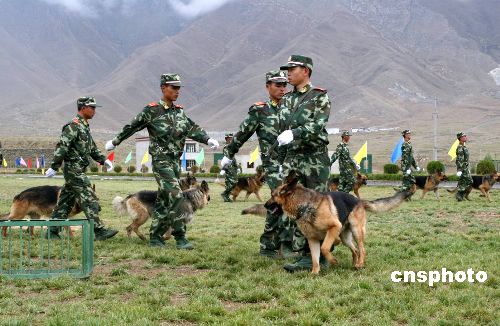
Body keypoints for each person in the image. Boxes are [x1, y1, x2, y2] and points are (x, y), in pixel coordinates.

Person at [105, 74, 219, 248]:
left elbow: (192, 128)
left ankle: (156, 237)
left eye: (179, 88)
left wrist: (207, 139)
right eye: (173, 87)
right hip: (161, 162)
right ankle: (180, 236)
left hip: (175, 162)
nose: (177, 91)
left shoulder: (179, 112)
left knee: (164, 201)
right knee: (176, 194)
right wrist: (115, 141)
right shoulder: (152, 110)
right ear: (163, 88)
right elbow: (132, 126)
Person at [221, 70, 294, 258]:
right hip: (272, 165)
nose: (282, 88)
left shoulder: (291, 108)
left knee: (288, 204)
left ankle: (283, 243)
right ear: (267, 86)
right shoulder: (260, 110)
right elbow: (243, 133)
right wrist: (229, 153)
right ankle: (272, 246)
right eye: (277, 85)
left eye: (284, 84)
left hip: (291, 165)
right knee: (281, 201)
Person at [275, 55, 332, 272]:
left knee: (317, 208)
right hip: (293, 160)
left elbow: (318, 125)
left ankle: (322, 256)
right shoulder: (287, 100)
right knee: (296, 208)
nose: (287, 73)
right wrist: (281, 160)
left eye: (292, 69)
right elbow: (282, 133)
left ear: (305, 71)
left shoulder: (319, 97)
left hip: (314, 160)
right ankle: (304, 254)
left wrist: (296, 133)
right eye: (287, 69)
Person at [45, 97, 118, 240]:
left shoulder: (84, 126)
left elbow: (92, 149)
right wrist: (54, 166)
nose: (94, 111)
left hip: (79, 169)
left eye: (95, 107)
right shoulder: (72, 126)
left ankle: (52, 231)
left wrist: (104, 160)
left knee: (65, 202)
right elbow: (62, 147)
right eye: (92, 107)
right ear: (83, 108)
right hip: (73, 169)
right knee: (89, 197)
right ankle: (99, 230)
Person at [399, 129, 420, 194]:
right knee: (408, 181)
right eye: (408, 134)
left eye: (410, 134)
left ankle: (403, 195)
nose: (409, 135)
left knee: (410, 181)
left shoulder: (409, 144)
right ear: (405, 135)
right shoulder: (404, 145)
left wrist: (416, 166)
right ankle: (401, 195)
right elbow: (405, 157)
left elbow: (411, 157)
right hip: (406, 166)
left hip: (408, 167)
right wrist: (407, 169)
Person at [220, 133, 238, 202]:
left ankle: (226, 195)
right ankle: (225, 195)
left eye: (231, 138)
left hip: (233, 167)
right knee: (232, 182)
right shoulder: (226, 148)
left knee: (234, 182)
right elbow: (227, 158)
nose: (230, 140)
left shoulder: (232, 147)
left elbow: (233, 158)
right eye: (229, 138)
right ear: (226, 139)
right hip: (228, 167)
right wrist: (224, 169)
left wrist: (237, 167)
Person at [455, 132, 472, 201]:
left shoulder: (464, 146)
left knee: (463, 181)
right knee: (469, 180)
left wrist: (468, 168)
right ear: (460, 138)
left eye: (465, 136)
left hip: (465, 167)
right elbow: (460, 159)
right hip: (462, 167)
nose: (465, 137)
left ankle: (460, 196)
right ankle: (459, 194)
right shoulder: (460, 147)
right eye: (464, 136)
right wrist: (460, 169)